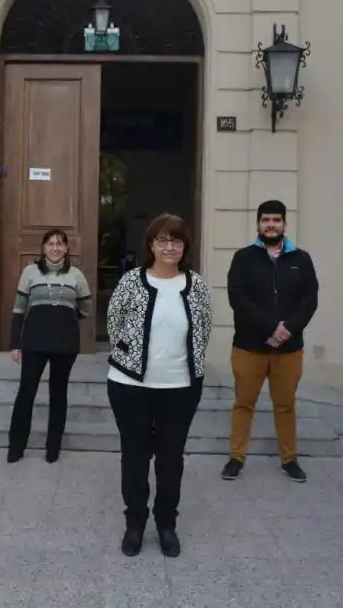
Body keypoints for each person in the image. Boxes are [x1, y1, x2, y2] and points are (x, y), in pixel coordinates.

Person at [106, 213, 212, 558]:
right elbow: (114, 323)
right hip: (130, 386)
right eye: (162, 240)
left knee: (170, 459)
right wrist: (131, 357)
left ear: (185, 247)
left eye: (176, 241)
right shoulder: (130, 282)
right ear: (150, 245)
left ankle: (166, 524)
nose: (169, 247)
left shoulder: (196, 285)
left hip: (180, 387)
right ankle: (134, 523)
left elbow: (204, 328)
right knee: (135, 457)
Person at [220, 199, 318, 483]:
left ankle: (289, 459)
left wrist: (287, 329)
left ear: (284, 224)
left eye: (276, 220)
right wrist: (271, 327)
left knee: (285, 405)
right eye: (266, 220)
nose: (271, 225)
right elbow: (238, 298)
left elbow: (309, 299)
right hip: (249, 346)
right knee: (243, 403)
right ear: (258, 224)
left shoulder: (301, 259)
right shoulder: (243, 257)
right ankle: (236, 458)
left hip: (289, 349)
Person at [7, 229, 92, 463]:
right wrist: (15, 343)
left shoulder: (76, 275)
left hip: (65, 344)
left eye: (60, 244)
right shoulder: (30, 272)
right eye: (50, 243)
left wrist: (62, 316)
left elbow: (86, 308)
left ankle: (53, 448)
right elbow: (18, 310)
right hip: (33, 342)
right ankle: (16, 447)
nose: (55, 248)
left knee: (58, 394)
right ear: (43, 248)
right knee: (26, 393)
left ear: (66, 248)